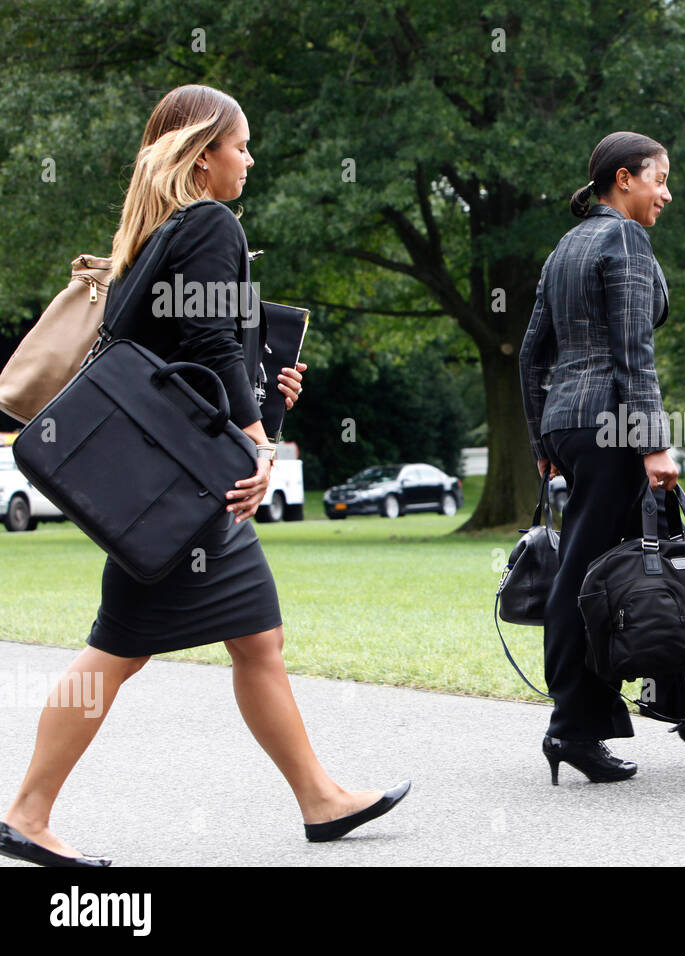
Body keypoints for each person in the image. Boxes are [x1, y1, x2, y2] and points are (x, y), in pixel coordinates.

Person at [0, 85, 408, 868]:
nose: (249, 159)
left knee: (254, 639)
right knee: (122, 652)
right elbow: (211, 345)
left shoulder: (154, 237)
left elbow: (187, 357)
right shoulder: (211, 224)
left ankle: (319, 797)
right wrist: (257, 442)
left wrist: (265, 396)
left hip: (167, 482)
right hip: (187, 490)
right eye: (240, 146)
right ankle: (27, 810)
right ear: (200, 154)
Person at [519, 131, 685, 784]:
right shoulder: (622, 239)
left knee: (655, 570)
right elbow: (633, 353)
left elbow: (530, 355)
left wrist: (545, 440)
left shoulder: (565, 247)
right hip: (613, 429)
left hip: (575, 427)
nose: (667, 193)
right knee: (588, 578)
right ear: (624, 179)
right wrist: (653, 442)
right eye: (660, 178)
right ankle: (572, 726)